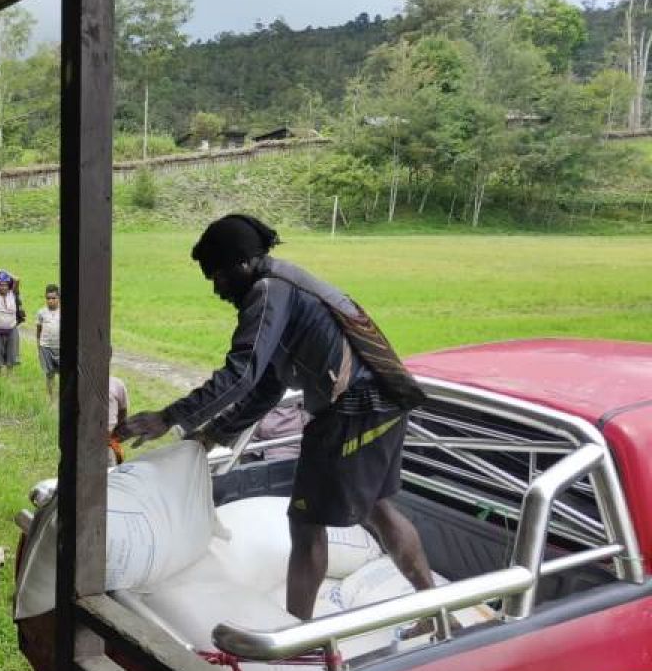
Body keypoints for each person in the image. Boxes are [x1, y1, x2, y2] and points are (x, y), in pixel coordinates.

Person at [117, 214, 435, 622]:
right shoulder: (284, 287)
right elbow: (267, 386)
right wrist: (214, 433)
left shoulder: (267, 291)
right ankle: (434, 610)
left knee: (305, 524)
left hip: (351, 411)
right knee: (379, 509)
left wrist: (168, 417)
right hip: (383, 400)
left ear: (242, 264)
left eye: (217, 276)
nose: (216, 289)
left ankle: (293, 636)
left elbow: (240, 373)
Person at [36, 284, 62, 402]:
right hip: (45, 346)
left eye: (54, 298)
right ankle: (51, 398)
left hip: (60, 348)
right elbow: (39, 330)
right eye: (48, 298)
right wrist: (39, 345)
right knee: (49, 374)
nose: (51, 301)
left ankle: (64, 398)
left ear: (59, 298)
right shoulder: (41, 312)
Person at [108, 373, 129, 466]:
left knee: (110, 471)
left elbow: (123, 411)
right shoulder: (79, 385)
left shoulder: (116, 384)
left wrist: (116, 432)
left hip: (108, 442)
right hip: (84, 440)